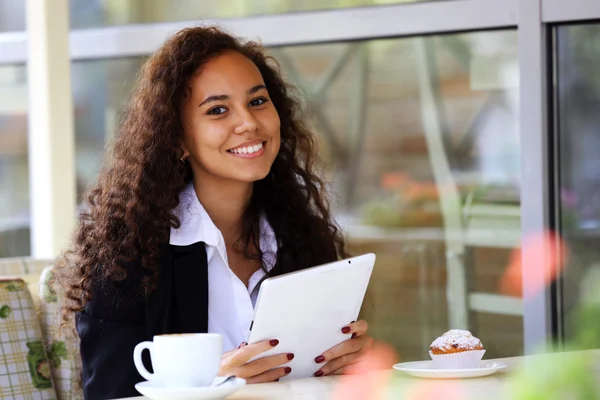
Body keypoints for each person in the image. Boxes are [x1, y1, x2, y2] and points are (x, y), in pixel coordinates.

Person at [55, 26, 373, 400]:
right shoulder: (125, 256)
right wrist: (209, 385)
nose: (248, 123)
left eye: (257, 101)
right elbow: (109, 392)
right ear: (177, 139)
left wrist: (351, 364)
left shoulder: (302, 235)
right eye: (217, 110)